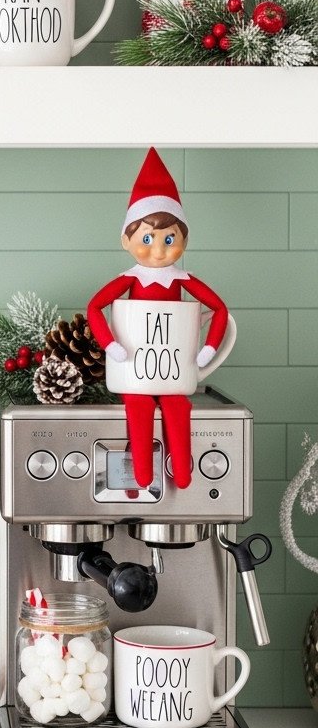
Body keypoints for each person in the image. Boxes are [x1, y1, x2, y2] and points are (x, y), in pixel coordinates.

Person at [87, 148, 228, 490]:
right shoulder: (129, 279)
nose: (160, 249)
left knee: (177, 406)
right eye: (147, 239)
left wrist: (208, 349)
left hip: (174, 374)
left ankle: (182, 473)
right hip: (136, 373)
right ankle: (142, 476)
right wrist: (111, 345)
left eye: (170, 239)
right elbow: (94, 308)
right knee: (137, 406)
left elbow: (220, 310)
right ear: (127, 240)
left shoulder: (184, 279)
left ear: (184, 240)